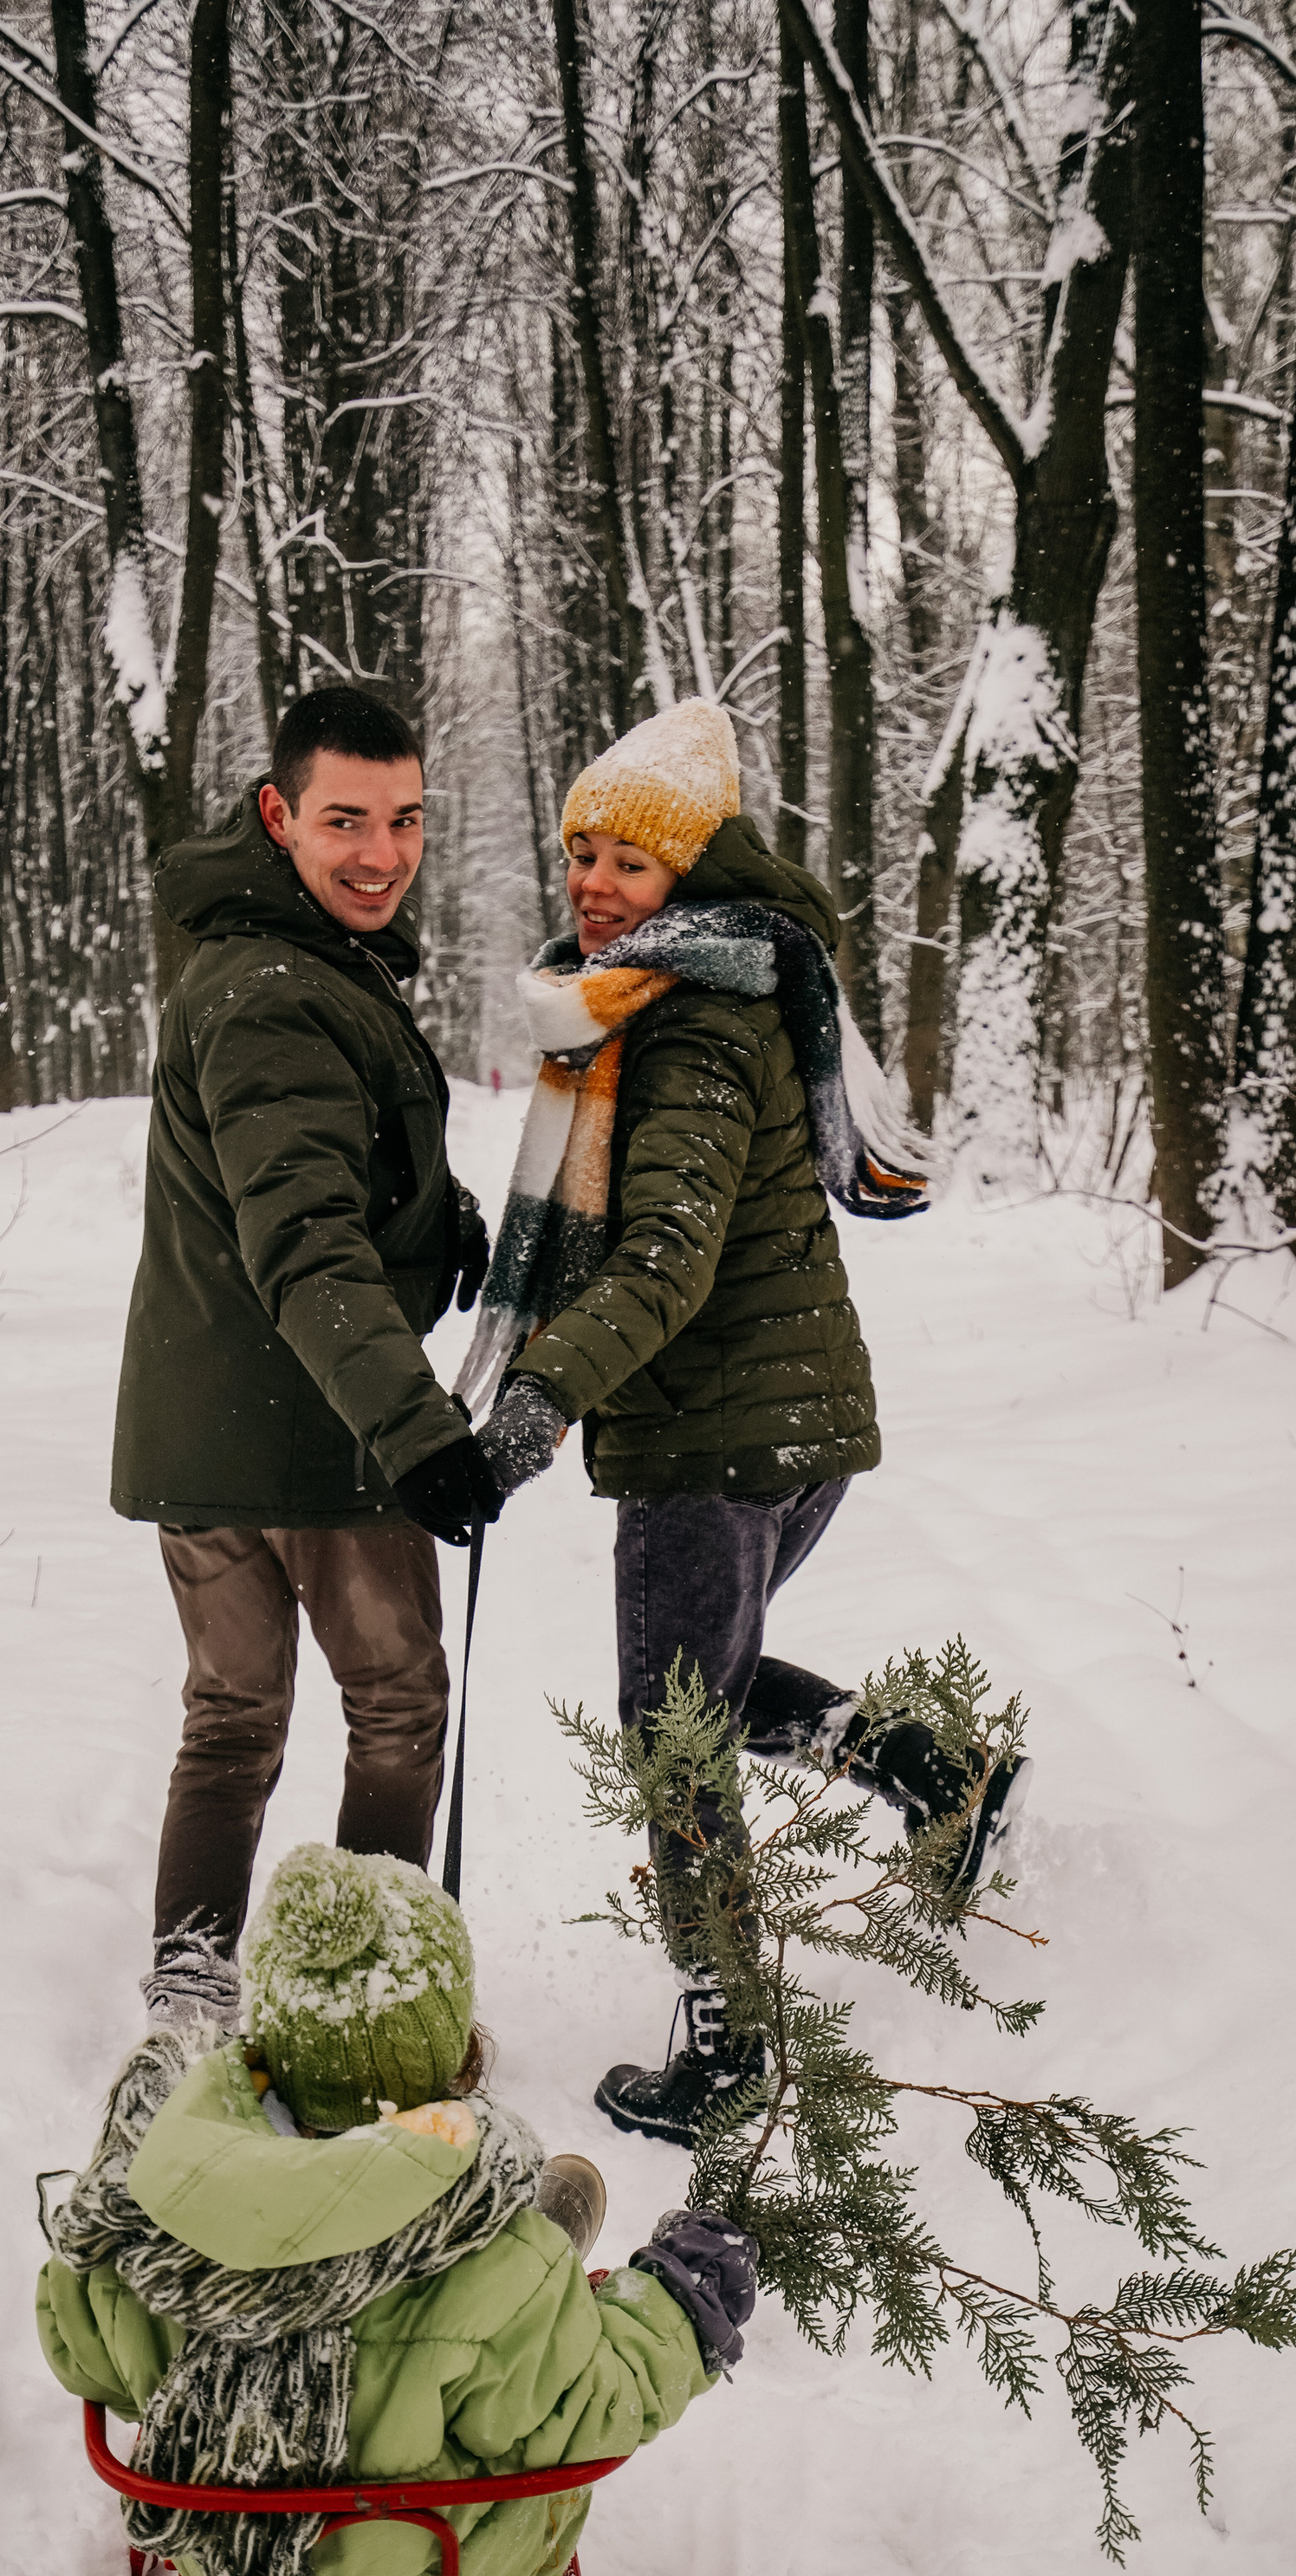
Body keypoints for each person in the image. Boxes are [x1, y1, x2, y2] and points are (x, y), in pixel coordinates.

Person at [449, 699, 1025, 2145]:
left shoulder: (696, 1021)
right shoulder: (669, 999)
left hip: (725, 1430)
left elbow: (664, 1259)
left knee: (676, 1727)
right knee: (706, 1676)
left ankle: (729, 2040)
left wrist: (530, 1404)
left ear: (692, 877)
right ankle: (936, 1770)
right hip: (789, 1418)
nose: (593, 881)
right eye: (581, 850)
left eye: (630, 862)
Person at [36, 1846, 759, 2576]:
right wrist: (676, 2309)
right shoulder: (502, 2262)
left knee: (507, 2315)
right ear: (449, 2055)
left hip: (222, 2556)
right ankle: (562, 2219)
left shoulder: (156, 2219)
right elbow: (591, 2414)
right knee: (528, 2336)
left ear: (272, 2042)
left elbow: (79, 2346)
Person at [112, 686, 505, 2026]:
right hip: (318, 1433)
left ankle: (189, 1988)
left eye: (403, 821)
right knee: (397, 1707)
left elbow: (305, 1176)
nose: (380, 853)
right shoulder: (282, 989)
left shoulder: (269, 958)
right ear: (279, 816)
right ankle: (364, 1992)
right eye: (345, 819)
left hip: (205, 1427)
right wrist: (416, 1432)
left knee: (230, 1717)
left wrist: (435, 1213)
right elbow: (306, 1247)